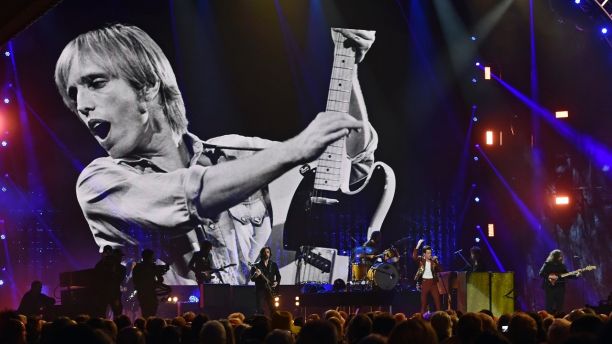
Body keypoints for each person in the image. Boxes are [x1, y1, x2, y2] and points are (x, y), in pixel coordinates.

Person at [54, 24, 378, 285]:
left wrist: (347, 72)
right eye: (73, 93)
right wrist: (296, 149)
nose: (81, 105)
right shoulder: (99, 183)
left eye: (94, 83)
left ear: (148, 87)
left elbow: (352, 170)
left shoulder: (240, 153)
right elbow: (192, 196)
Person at [539, 249, 579, 314]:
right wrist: (551, 276)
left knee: (560, 305)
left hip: (560, 287)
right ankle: (549, 319)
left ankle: (559, 318)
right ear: (554, 256)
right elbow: (541, 273)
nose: (561, 257)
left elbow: (567, 275)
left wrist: (576, 275)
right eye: (559, 256)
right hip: (550, 287)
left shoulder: (562, 265)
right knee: (549, 305)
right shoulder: (547, 264)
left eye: (561, 256)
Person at [94, 245, 127, 318]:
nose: (121, 258)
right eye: (119, 256)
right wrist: (103, 260)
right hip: (106, 293)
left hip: (113, 293)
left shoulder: (121, 268)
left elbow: (119, 279)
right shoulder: (102, 265)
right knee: (102, 312)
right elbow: (97, 274)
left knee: (117, 312)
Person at [132, 249, 166, 317]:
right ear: (150, 257)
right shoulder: (152, 267)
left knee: (145, 312)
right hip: (150, 293)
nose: (154, 258)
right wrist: (155, 284)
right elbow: (160, 279)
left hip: (141, 293)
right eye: (153, 256)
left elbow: (135, 281)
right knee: (152, 312)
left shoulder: (137, 267)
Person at [413, 239, 442, 314]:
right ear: (424, 254)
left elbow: (440, 270)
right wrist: (418, 245)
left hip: (433, 283)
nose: (430, 254)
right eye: (428, 253)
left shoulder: (433, 261)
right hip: (425, 283)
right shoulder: (421, 260)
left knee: (437, 302)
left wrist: (437, 262)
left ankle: (440, 318)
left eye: (430, 253)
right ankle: (422, 319)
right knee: (423, 303)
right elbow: (414, 257)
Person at [250, 246, 280, 316]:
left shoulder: (273, 264)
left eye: (267, 252)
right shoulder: (255, 265)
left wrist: (276, 282)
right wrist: (255, 275)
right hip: (260, 290)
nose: (266, 253)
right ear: (261, 254)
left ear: (270, 254)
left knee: (273, 308)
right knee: (260, 309)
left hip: (271, 289)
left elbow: (278, 276)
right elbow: (252, 279)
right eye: (264, 252)